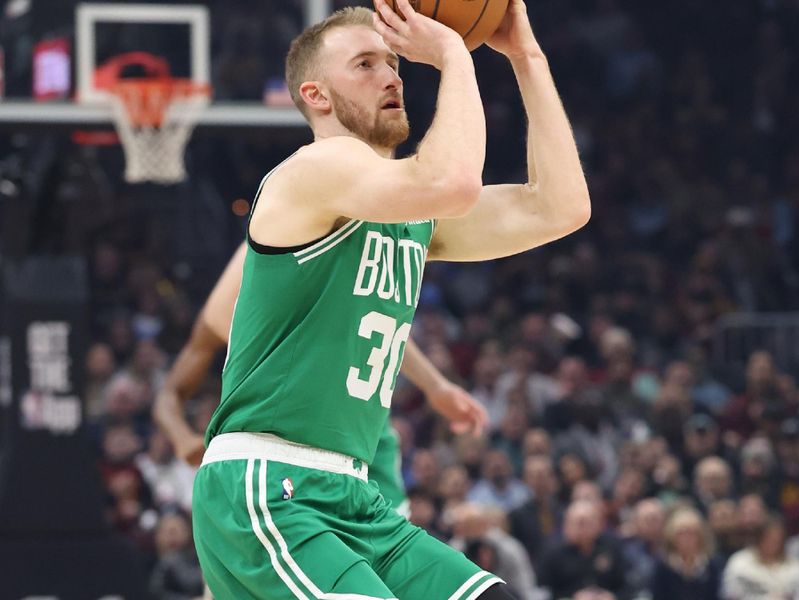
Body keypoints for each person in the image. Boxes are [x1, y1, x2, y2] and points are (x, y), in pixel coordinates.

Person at [192, 0, 590, 597]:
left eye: (394, 63)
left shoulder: (408, 212)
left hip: (354, 494)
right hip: (270, 484)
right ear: (317, 96)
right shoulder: (314, 170)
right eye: (365, 64)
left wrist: (525, 57)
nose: (391, 75)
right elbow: (449, 183)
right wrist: (455, 51)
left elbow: (559, 208)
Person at [153, 241, 489, 517]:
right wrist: (182, 438)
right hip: (281, 445)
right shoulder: (228, 304)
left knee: (384, 560)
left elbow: (375, 317)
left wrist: (435, 385)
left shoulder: (316, 252)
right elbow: (169, 394)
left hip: (358, 431)